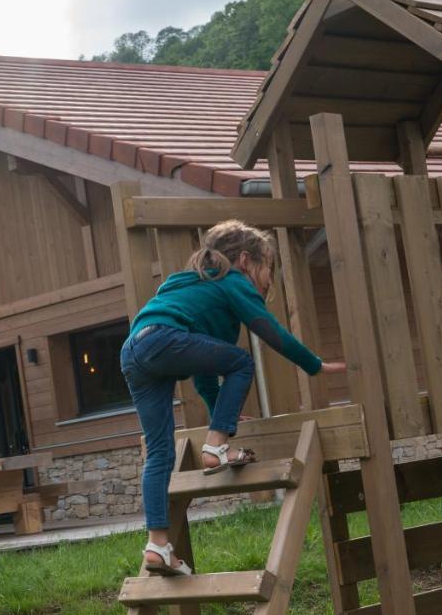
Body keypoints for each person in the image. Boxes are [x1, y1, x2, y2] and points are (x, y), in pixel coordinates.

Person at [119, 220, 346, 577]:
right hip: (163, 339)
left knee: (160, 452)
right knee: (241, 361)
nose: (270, 278)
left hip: (134, 350)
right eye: (268, 267)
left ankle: (158, 546)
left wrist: (219, 416)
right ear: (245, 260)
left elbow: (204, 375)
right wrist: (313, 364)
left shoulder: (194, 287)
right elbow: (268, 330)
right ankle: (216, 448)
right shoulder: (233, 281)